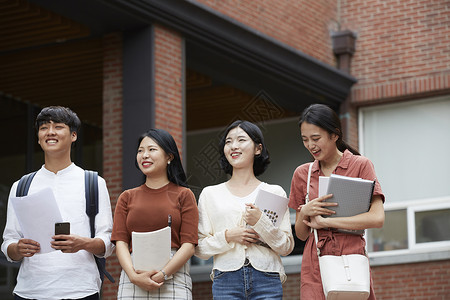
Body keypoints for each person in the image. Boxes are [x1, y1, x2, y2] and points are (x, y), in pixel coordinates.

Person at [1, 106, 114, 300]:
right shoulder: (21, 186)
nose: (50, 132)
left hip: (80, 291)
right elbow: (8, 241)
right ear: (38, 138)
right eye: (44, 128)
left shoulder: (93, 183)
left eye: (58, 126)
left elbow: (108, 242)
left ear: (73, 136)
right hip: (29, 291)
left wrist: (83, 243)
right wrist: (17, 249)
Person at [289, 104, 385, 299]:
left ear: (335, 135)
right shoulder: (302, 174)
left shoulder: (360, 165)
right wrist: (306, 210)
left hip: (350, 255)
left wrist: (327, 222)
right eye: (305, 140)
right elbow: (301, 234)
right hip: (315, 260)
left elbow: (377, 218)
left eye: (316, 138)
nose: (310, 145)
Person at [195, 120, 294, 299]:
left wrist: (260, 222)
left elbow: (286, 246)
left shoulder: (274, 191)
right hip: (225, 279)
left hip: (268, 278)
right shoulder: (210, 194)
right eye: (228, 141)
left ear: (258, 149)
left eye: (241, 140)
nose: (234, 146)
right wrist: (228, 236)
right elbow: (199, 249)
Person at [111, 128, 198, 299]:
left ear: (169, 157)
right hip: (133, 274)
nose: (144, 155)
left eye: (152, 150)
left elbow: (189, 245)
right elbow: (120, 242)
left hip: (173, 275)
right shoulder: (126, 197)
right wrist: (134, 276)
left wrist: (163, 274)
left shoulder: (184, 195)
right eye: (140, 151)